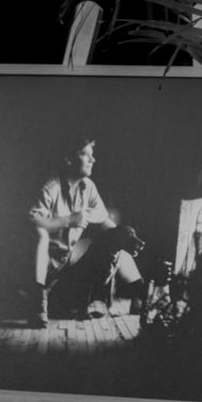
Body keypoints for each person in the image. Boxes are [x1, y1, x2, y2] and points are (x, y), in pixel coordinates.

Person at [28, 136, 145, 327]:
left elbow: (105, 222)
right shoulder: (51, 187)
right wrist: (68, 220)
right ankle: (38, 301)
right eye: (85, 154)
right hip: (43, 266)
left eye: (93, 155)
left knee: (115, 238)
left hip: (67, 259)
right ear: (68, 159)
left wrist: (126, 238)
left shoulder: (87, 187)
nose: (93, 160)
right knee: (40, 234)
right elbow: (32, 219)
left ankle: (140, 292)